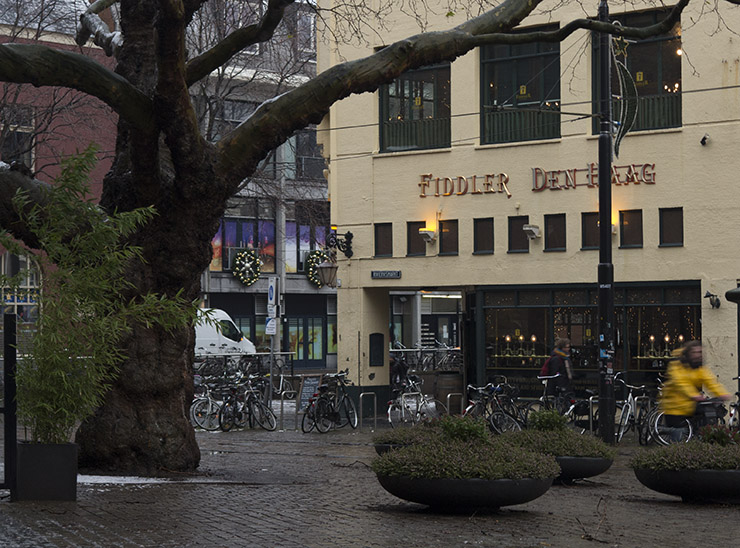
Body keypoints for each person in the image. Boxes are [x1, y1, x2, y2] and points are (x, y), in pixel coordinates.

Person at [659, 340, 731, 429]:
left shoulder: (699, 368)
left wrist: (722, 394)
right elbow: (681, 382)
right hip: (675, 407)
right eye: (694, 352)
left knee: (707, 416)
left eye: (700, 352)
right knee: (678, 435)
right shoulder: (677, 365)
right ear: (688, 353)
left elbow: (710, 382)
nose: (698, 355)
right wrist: (694, 395)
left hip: (690, 406)